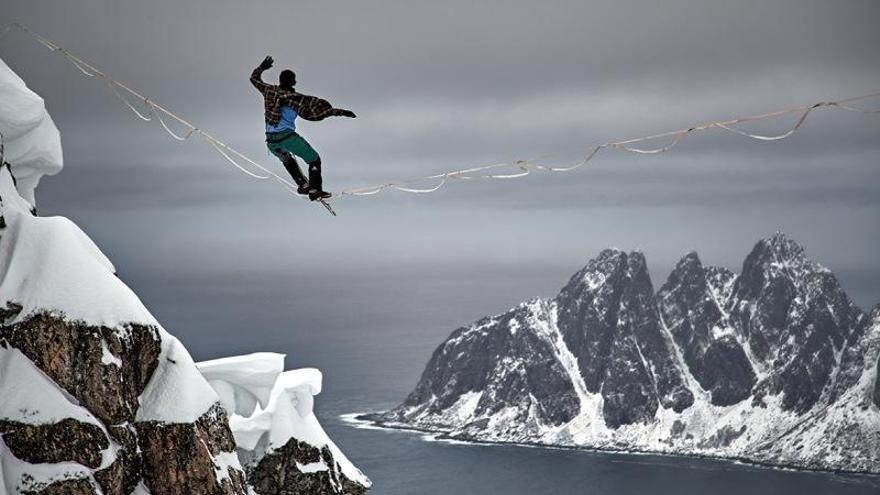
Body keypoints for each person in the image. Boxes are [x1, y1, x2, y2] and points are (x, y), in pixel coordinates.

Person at [250, 56, 355, 201]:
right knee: (314, 159)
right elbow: (319, 111)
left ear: (280, 80)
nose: (295, 82)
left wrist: (262, 67)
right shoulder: (296, 98)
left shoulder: (269, 91)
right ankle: (314, 189)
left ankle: (303, 185)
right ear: (292, 81)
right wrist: (341, 112)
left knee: (287, 159)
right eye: (294, 80)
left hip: (271, 142)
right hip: (287, 138)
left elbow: (254, 79)